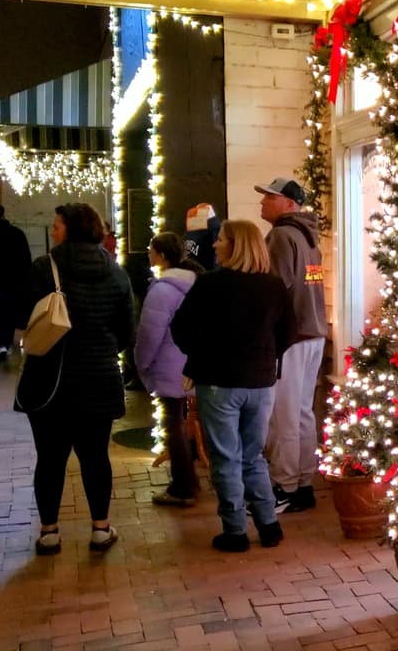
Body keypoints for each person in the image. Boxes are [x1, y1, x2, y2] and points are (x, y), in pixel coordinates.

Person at [13, 203, 133, 555]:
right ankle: (100, 528)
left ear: (71, 230)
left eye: (57, 226)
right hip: (99, 379)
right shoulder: (116, 273)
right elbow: (127, 333)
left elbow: (23, 316)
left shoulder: (42, 268)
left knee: (49, 458)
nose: (53, 231)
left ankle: (49, 532)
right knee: (96, 456)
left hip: (50, 380)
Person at [171, 220, 295, 552]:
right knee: (253, 455)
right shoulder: (274, 286)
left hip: (219, 382)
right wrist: (267, 357)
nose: (214, 244)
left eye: (221, 239)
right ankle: (269, 525)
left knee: (226, 457)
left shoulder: (211, 284)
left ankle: (235, 531)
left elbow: (180, 328)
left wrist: (197, 356)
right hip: (261, 382)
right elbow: (288, 333)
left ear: (236, 245)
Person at [254, 177, 326, 513]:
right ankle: (304, 482)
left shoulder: (282, 236)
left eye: (269, 197)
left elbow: (274, 291)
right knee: (301, 412)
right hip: (313, 333)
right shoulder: (309, 236)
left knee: (283, 413)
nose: (262, 203)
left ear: (288, 203)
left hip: (291, 336)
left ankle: (284, 486)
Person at [135, 232, 203, 507]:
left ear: (161, 256)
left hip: (168, 364)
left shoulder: (162, 290)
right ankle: (190, 480)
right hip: (194, 362)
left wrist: (141, 362)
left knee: (173, 426)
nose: (148, 255)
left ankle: (182, 486)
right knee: (184, 423)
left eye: (151, 250)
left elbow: (150, 334)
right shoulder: (197, 283)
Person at [0, 204, 32, 361]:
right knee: (10, 311)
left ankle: (0, 344)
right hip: (13, 282)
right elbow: (25, 259)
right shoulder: (16, 234)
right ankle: (6, 342)